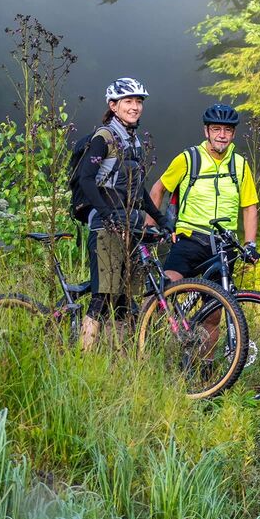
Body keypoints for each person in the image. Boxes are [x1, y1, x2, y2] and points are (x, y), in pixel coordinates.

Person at [75, 76, 168, 348]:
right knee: (102, 296)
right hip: (105, 224)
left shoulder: (135, 142)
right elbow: (86, 179)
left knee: (126, 300)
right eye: (129, 101)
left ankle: (120, 363)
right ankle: (84, 360)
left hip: (130, 224)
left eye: (139, 102)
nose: (135, 106)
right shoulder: (103, 138)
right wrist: (105, 213)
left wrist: (161, 218)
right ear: (113, 105)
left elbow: (138, 192)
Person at [150, 103, 260, 283]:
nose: (222, 135)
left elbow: (249, 207)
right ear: (206, 131)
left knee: (215, 306)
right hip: (189, 238)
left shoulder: (240, 164)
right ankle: (146, 312)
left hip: (224, 243)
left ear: (233, 134)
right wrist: (150, 227)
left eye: (227, 130)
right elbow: (158, 189)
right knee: (165, 286)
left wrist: (250, 244)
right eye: (216, 129)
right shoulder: (188, 158)